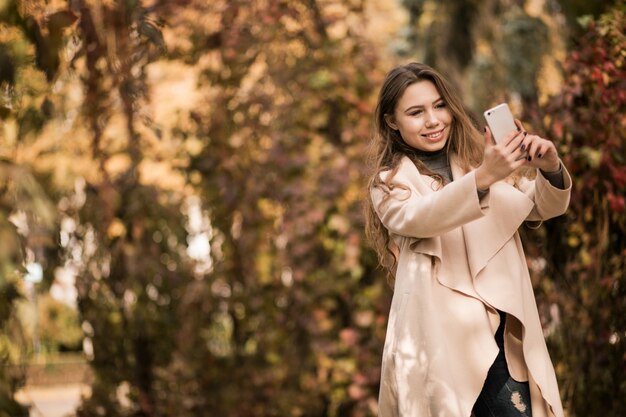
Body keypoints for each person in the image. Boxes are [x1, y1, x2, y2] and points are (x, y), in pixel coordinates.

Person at [364, 62, 570, 417]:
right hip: (445, 353)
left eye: (439, 105)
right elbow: (419, 217)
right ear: (391, 121)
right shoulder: (390, 183)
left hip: (506, 336)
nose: (433, 120)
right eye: (416, 112)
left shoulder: (479, 160)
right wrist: (482, 179)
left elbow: (537, 205)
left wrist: (549, 166)